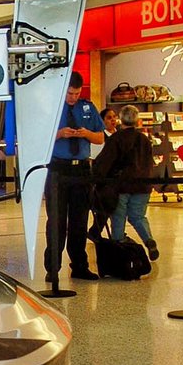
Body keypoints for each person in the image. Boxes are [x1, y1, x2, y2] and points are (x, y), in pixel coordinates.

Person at [43, 71, 104, 282]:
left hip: (81, 169)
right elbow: (39, 139)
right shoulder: (51, 107)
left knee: (79, 220)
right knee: (57, 220)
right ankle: (52, 268)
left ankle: (80, 266)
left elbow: (100, 138)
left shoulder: (87, 107)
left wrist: (86, 133)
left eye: (77, 93)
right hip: (58, 168)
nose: (73, 97)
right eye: (70, 93)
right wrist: (60, 134)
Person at [92, 105, 159, 260]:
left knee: (118, 216)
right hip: (143, 185)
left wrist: (96, 177)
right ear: (137, 120)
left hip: (121, 185)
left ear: (121, 119)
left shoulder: (116, 139)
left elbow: (105, 162)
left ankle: (118, 249)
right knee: (138, 216)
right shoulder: (144, 139)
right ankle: (149, 239)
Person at [88, 107, 120, 239]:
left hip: (118, 177)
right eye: (109, 117)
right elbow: (94, 159)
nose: (113, 120)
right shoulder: (100, 137)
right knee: (106, 205)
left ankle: (116, 232)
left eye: (114, 117)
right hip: (104, 178)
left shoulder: (119, 135)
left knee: (117, 207)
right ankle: (96, 231)